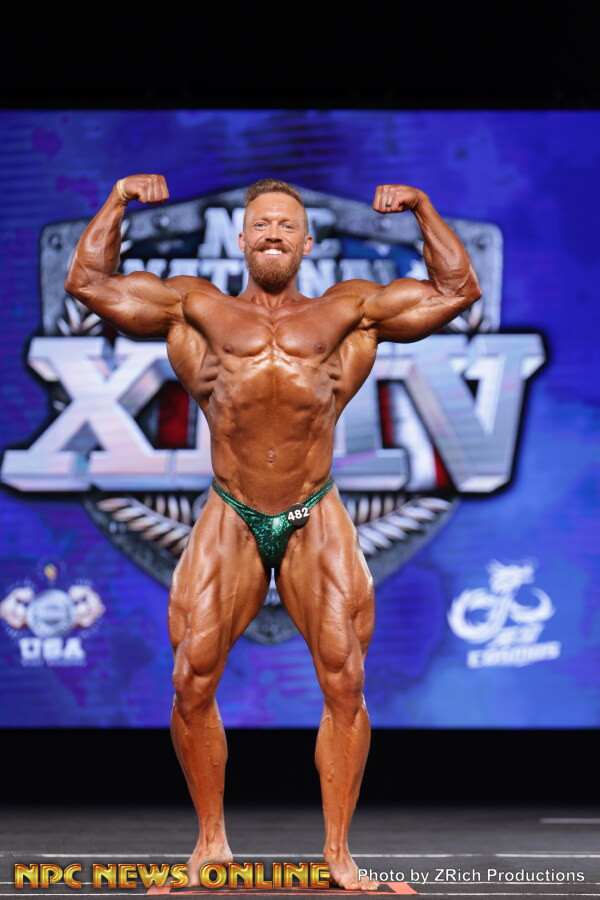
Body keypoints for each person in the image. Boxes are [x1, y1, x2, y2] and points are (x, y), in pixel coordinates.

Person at [65, 175, 481, 890]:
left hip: (314, 510)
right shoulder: (195, 307)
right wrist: (118, 199)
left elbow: (456, 290)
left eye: (287, 225)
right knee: (191, 679)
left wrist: (422, 206)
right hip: (231, 511)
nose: (274, 234)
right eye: (262, 224)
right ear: (241, 238)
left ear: (307, 242)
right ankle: (210, 845)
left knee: (345, 680)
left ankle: (339, 856)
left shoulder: (350, 310)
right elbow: (88, 283)